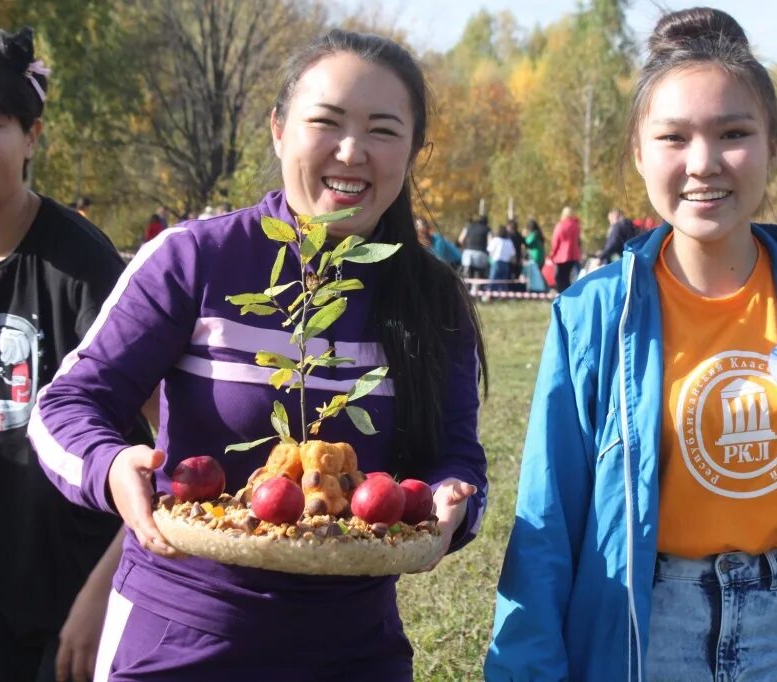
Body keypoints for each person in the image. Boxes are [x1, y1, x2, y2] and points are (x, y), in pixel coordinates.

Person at [29, 29, 489, 681]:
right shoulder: (194, 260)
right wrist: (110, 465)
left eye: (384, 130)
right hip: (179, 638)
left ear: (415, 150)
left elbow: (460, 458)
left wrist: (452, 501)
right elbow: (64, 405)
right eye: (325, 122)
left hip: (354, 649)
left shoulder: (432, 298)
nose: (351, 151)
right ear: (278, 130)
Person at [487, 8, 777, 682]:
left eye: (733, 133)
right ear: (638, 152)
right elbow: (548, 517)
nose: (704, 163)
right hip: (641, 629)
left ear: (772, 145)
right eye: (674, 137)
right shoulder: (594, 315)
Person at [0, 27, 153, 682]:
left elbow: (175, 444)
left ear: (32, 135)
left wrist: (104, 592)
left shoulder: (82, 264)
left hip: (60, 616)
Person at [549, 206, 581, 293]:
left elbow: (556, 241)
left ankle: (562, 296)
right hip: (573, 255)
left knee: (559, 278)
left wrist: (552, 253)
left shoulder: (560, 225)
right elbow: (578, 241)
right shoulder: (576, 225)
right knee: (568, 278)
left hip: (561, 256)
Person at [458, 214, 490, 279]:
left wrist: (464, 248)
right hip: (481, 254)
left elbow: (460, 240)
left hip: (467, 253)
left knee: (466, 277)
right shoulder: (487, 229)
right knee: (479, 276)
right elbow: (490, 242)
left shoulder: (468, 227)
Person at [487, 222, 516, 291]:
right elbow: (512, 255)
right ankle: (503, 296)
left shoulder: (496, 240)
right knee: (503, 282)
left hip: (496, 262)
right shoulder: (509, 242)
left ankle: (490, 295)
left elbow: (490, 251)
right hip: (506, 264)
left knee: (493, 280)